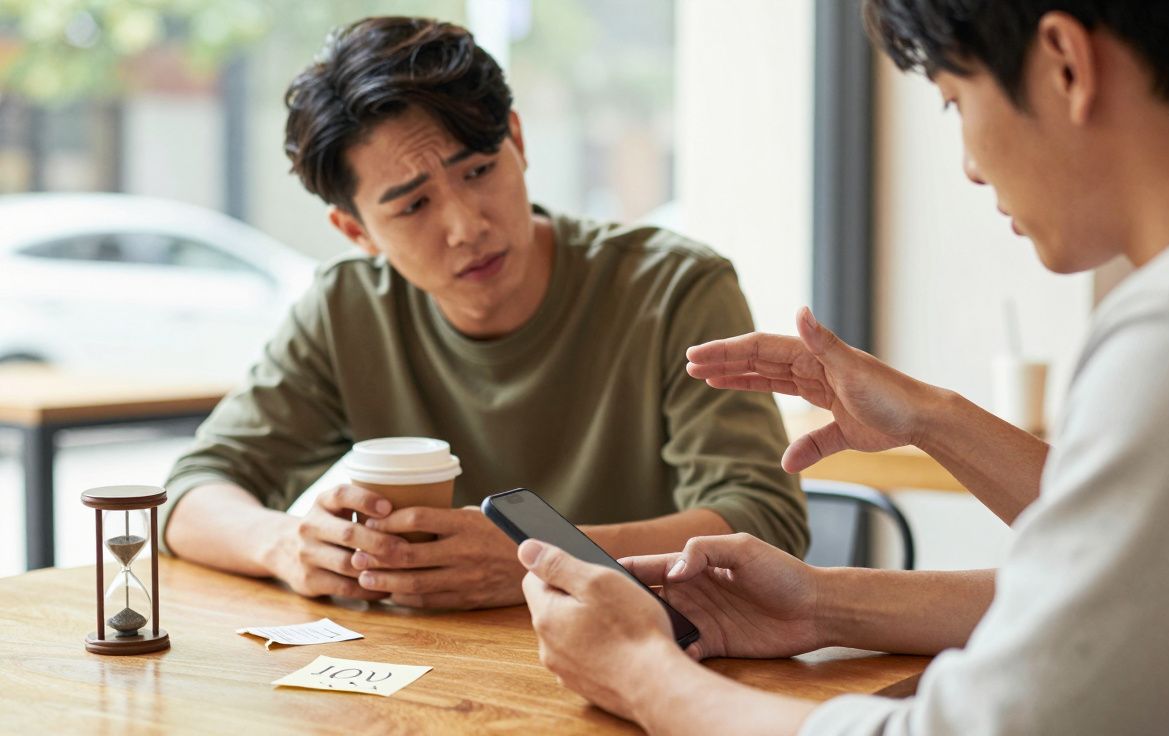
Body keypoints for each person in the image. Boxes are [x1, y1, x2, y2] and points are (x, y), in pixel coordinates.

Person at [517, 1, 1169, 733]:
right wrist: (826, 600)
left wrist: (643, 675)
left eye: (953, 100)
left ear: (1065, 63)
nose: (968, 164)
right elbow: (1138, 589)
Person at [160, 16, 807, 610]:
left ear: (518, 141)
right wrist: (285, 544)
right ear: (356, 231)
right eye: (413, 207)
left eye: (478, 170)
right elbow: (193, 492)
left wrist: (543, 555)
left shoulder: (674, 287)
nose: (467, 225)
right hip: (442, 679)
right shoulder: (346, 309)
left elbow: (765, 520)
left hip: (659, 664)